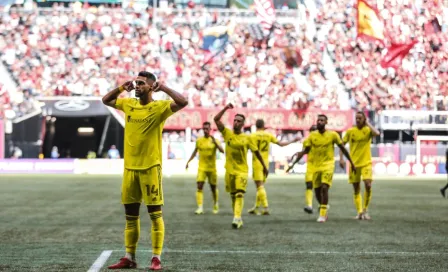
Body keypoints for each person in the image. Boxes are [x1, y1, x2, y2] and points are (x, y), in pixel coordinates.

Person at [102, 71, 188, 270]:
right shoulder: (128, 104)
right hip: (130, 169)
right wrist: (122, 87)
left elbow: (183, 102)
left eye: (141, 83)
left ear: (151, 86)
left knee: (155, 215)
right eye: (136, 82)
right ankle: (129, 257)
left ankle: (156, 257)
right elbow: (106, 100)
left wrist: (164, 87)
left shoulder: (160, 108)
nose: (137, 86)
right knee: (130, 216)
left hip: (150, 168)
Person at [286, 115, 355, 223]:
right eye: (318, 120)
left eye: (322, 120)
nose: (319, 122)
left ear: (326, 122)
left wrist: (351, 162)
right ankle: (323, 206)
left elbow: (343, 148)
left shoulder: (333, 135)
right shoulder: (312, 136)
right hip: (315, 167)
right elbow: (305, 151)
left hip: (328, 165)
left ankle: (322, 214)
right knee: (317, 191)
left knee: (324, 188)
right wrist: (293, 164)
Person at [214, 103, 268, 229]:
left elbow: (257, 153)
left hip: (242, 171)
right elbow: (216, 119)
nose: (236, 123)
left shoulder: (248, 138)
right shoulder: (227, 133)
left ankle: (236, 217)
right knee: (233, 195)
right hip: (229, 171)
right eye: (235, 120)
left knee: (239, 194)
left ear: (243, 124)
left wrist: (264, 167)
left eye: (239, 121)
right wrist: (226, 108)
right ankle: (238, 217)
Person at [248, 119, 299, 215]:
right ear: (263, 126)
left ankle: (266, 207)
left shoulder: (252, 136)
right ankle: (256, 207)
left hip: (257, 162)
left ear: (256, 126)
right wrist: (293, 141)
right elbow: (280, 144)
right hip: (266, 163)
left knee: (259, 186)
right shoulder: (268, 135)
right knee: (260, 186)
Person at [339, 112, 380, 220]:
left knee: (368, 184)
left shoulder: (368, 130)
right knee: (356, 189)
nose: (357, 120)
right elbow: (341, 144)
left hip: (366, 163)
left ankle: (365, 209)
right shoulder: (350, 131)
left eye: (360, 118)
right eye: (356, 118)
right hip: (354, 164)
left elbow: (377, 133)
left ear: (364, 119)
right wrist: (342, 158)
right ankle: (359, 212)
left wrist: (368, 124)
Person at [186, 122, 224, 215]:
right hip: (202, 168)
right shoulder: (199, 141)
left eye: (207, 129)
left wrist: (216, 143)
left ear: (210, 129)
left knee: (213, 188)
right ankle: (200, 207)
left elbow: (222, 151)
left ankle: (215, 204)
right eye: (204, 129)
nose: (205, 130)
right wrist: (188, 162)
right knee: (199, 186)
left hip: (212, 169)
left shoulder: (214, 140)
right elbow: (195, 152)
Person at [286, 125, 318, 214]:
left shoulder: (324, 140)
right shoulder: (307, 141)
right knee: (309, 185)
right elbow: (303, 152)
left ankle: (322, 205)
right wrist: (292, 165)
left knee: (320, 188)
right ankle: (309, 205)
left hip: (322, 167)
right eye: (312, 132)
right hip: (311, 166)